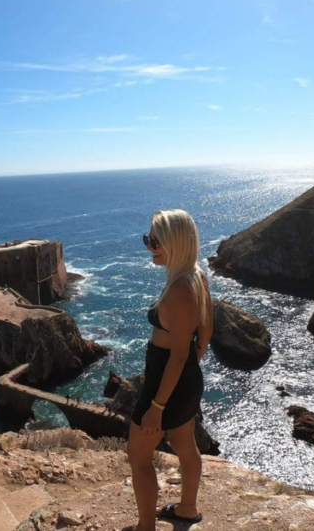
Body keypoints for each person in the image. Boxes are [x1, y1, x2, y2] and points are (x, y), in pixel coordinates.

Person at [127, 209, 213, 530]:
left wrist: (157, 406)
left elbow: (175, 356)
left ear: (176, 242)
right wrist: (191, 367)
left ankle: (146, 526)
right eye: (147, 239)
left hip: (165, 383)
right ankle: (187, 509)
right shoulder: (196, 275)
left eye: (155, 241)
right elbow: (204, 333)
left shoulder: (178, 289)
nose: (149, 246)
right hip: (186, 378)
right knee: (184, 445)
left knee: (138, 456)